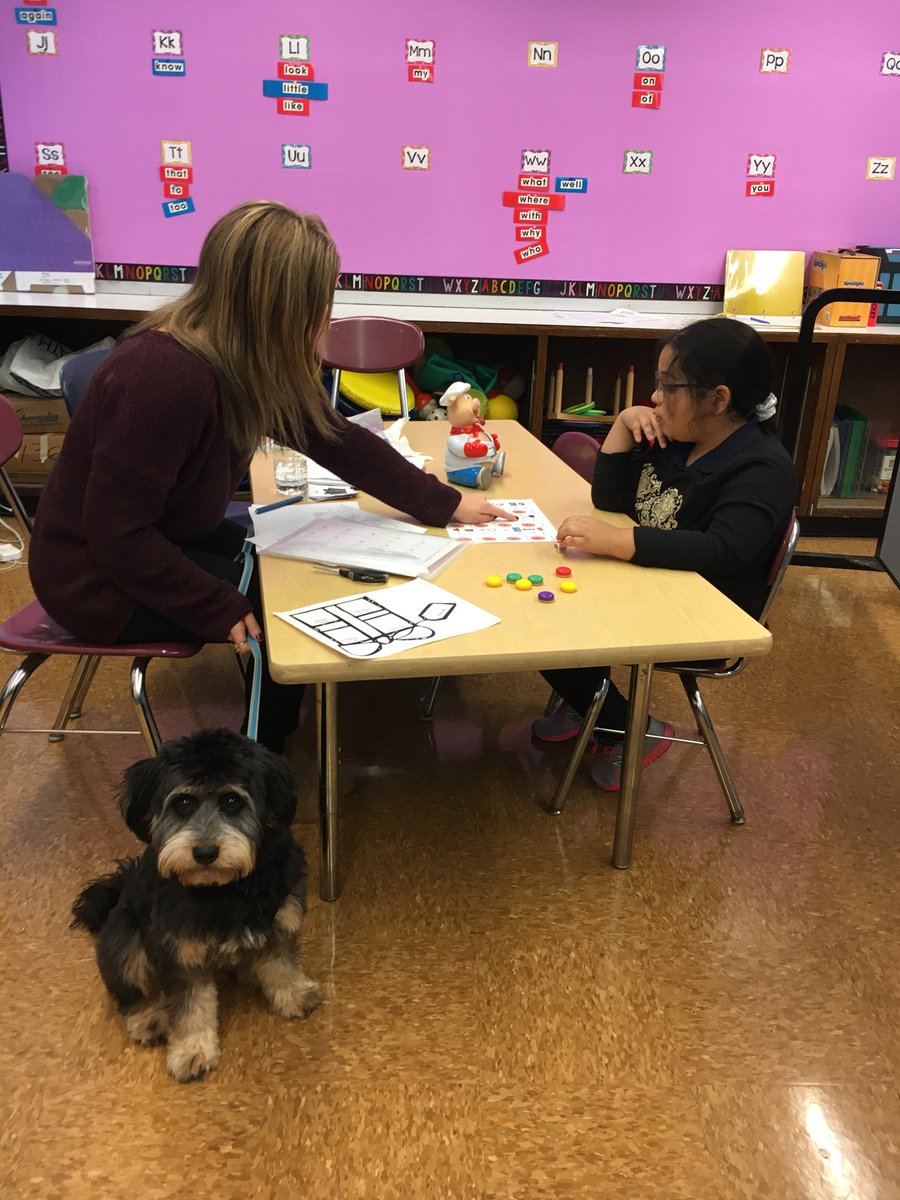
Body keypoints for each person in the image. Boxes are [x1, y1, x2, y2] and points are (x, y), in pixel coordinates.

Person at [28, 201, 508, 754]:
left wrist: (441, 504)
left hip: (167, 531)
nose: (321, 321)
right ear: (276, 308)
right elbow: (115, 534)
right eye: (316, 306)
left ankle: (275, 729)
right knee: (272, 612)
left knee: (286, 568)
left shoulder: (240, 357)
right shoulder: (164, 378)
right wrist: (219, 605)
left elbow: (335, 438)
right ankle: (260, 760)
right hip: (92, 577)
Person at [533, 317, 796, 791]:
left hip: (704, 608)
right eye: (659, 383)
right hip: (651, 584)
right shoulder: (674, 440)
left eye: (669, 386)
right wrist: (620, 427)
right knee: (540, 611)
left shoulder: (763, 467)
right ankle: (590, 701)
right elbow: (612, 502)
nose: (655, 398)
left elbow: (722, 550)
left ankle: (627, 725)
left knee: (551, 625)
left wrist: (618, 542)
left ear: (719, 398)